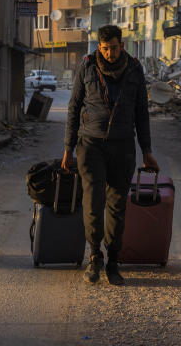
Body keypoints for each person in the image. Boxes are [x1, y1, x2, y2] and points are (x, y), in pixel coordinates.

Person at [63, 25, 159, 285]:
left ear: (122, 45)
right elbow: (73, 108)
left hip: (123, 146)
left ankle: (113, 260)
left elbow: (141, 113)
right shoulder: (87, 66)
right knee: (93, 203)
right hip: (90, 145)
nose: (109, 53)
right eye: (104, 48)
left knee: (117, 206)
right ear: (99, 47)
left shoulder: (135, 69)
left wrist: (147, 151)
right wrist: (68, 148)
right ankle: (95, 256)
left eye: (114, 48)